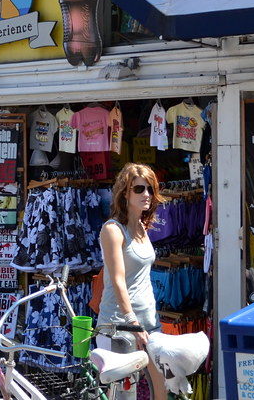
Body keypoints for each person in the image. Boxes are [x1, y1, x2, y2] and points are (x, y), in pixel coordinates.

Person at [96, 162, 168, 400]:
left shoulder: (141, 227)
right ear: (125, 193)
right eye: (139, 189)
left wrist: (144, 323)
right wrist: (133, 322)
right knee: (125, 395)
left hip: (149, 323)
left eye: (149, 188)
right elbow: (117, 281)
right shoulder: (113, 230)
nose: (146, 194)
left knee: (162, 389)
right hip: (121, 326)